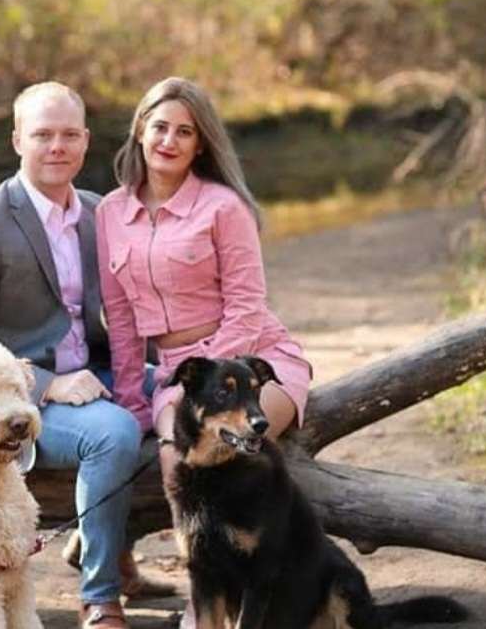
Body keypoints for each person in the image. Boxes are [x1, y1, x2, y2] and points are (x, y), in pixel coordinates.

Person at [0, 82, 166, 629]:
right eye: (42, 135)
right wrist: (46, 386)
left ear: (85, 141)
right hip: (22, 401)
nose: (56, 147)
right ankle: (101, 598)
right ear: (17, 140)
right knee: (113, 433)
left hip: (96, 371)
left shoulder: (96, 211)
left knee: (189, 396)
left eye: (68, 135)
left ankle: (119, 552)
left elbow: (129, 307)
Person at [95, 76, 313, 627]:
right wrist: (131, 397)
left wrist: (214, 375)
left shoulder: (223, 207)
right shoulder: (110, 212)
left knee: (239, 438)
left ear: (200, 144)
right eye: (160, 126)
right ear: (140, 130)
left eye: (184, 132)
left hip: (254, 360)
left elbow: (246, 304)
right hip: (178, 372)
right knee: (179, 451)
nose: (169, 140)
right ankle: (208, 600)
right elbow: (121, 320)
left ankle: (244, 595)